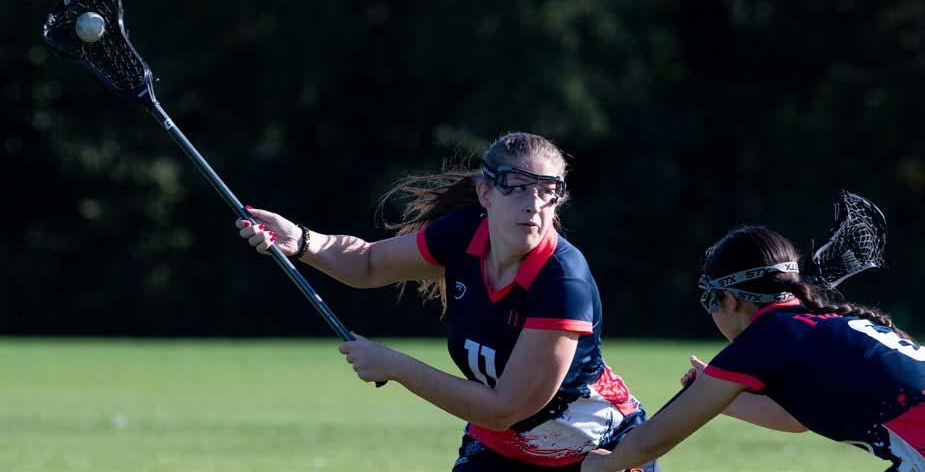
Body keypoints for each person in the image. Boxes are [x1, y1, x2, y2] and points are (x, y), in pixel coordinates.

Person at [236, 132, 656, 471]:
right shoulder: (462, 235)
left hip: (597, 455)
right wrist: (302, 241)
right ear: (485, 193)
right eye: (517, 187)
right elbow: (368, 264)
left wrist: (396, 366)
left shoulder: (563, 281)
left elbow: (504, 408)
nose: (533, 205)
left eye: (548, 191)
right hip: (501, 449)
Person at [582, 225, 925, 472]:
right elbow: (797, 418)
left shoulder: (766, 338)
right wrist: (721, 398)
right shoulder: (812, 324)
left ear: (730, 300)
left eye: (710, 301)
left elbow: (653, 440)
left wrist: (605, 464)